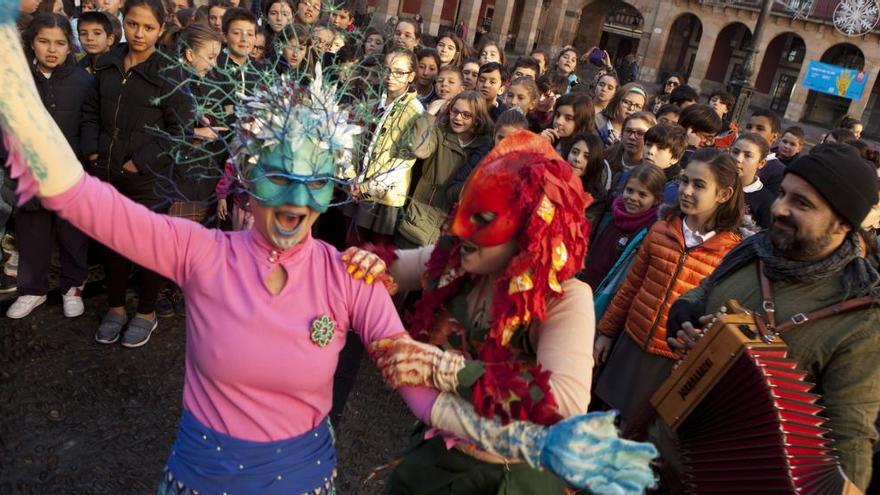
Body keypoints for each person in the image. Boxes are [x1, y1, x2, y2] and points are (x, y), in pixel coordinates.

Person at [1, 15, 658, 487]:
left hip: (306, 477)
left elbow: (420, 393)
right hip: (202, 476)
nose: (295, 197)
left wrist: (534, 444)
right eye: (280, 173)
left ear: (330, 187)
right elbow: (82, 196)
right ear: (251, 173)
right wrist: (11, 70)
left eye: (314, 180)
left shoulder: (349, 277)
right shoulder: (196, 251)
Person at [340, 131, 658, 494]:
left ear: (529, 231)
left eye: (483, 218)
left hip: (506, 480)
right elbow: (395, 267)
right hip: (438, 456)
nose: (460, 229)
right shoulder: (459, 258)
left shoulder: (564, 297)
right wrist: (370, 261)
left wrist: (443, 368)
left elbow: (566, 401)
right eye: (463, 210)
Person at [667, 143, 880, 491]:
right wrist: (686, 312)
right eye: (782, 194)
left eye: (802, 203)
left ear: (842, 223)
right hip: (664, 445)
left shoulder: (861, 318)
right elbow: (705, 290)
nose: (779, 208)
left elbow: (850, 438)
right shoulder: (754, 249)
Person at [594, 148, 744, 428]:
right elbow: (630, 286)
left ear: (723, 194)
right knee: (605, 421)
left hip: (672, 359)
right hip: (632, 342)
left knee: (641, 433)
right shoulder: (660, 230)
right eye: (685, 181)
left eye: (699, 185)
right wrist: (606, 332)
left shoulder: (730, 252)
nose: (687, 191)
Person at [80, 0, 195, 347]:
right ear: (122, 23)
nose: (139, 33)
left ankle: (146, 312)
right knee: (112, 246)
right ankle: (115, 308)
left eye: (147, 27)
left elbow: (182, 129)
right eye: (133, 24)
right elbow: (90, 111)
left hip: (148, 180)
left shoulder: (169, 72)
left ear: (160, 30)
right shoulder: (109, 63)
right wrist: (93, 151)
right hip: (107, 173)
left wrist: (140, 162)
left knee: (149, 248)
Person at [6, 13, 92, 320]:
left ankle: (73, 287)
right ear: (32, 43)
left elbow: (89, 126)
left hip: (71, 175)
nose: (51, 49)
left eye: (60, 43)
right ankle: (32, 290)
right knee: (32, 233)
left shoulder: (83, 82)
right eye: (44, 42)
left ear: (70, 47)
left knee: (72, 234)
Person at [344, 48, 424, 245]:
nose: (391, 76)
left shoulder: (414, 110)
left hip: (385, 195)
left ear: (411, 76)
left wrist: (368, 188)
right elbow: (353, 143)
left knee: (374, 254)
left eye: (399, 72)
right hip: (357, 185)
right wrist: (350, 175)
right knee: (350, 246)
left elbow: (403, 161)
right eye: (387, 70)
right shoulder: (372, 102)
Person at [396, 91, 494, 247]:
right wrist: (429, 114)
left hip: (450, 231)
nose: (458, 118)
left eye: (466, 115)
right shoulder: (439, 133)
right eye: (454, 111)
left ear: (477, 120)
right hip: (419, 221)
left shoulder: (484, 148)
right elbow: (417, 149)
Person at [581, 163, 664, 293]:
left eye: (642, 195)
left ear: (656, 200)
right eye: (629, 190)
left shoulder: (649, 232)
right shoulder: (610, 213)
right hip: (585, 283)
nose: (633, 198)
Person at [730, 132, 774, 232]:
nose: (738, 159)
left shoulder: (766, 202)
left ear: (761, 163)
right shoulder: (715, 183)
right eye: (735, 152)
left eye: (748, 156)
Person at [564, 132, 610, 226]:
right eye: (574, 152)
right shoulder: (554, 179)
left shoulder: (597, 198)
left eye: (586, 157)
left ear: (594, 161)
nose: (577, 159)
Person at [605, 111, 656, 186]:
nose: (632, 137)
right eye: (628, 131)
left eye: (640, 133)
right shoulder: (606, 157)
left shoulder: (652, 170)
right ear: (622, 133)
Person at [642, 122, 688, 204]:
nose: (650, 151)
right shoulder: (629, 175)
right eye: (648, 145)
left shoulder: (675, 190)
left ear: (674, 158)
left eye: (660, 148)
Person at [744, 109, 784, 194]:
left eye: (760, 128)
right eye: (749, 127)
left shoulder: (779, 172)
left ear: (774, 137)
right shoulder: (734, 158)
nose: (752, 132)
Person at [597, 82, 647, 146]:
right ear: (617, 102)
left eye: (638, 106)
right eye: (627, 102)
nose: (631, 108)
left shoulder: (641, 137)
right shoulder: (595, 122)